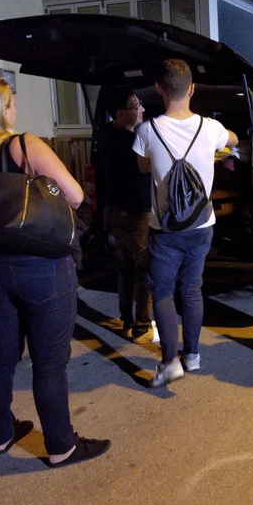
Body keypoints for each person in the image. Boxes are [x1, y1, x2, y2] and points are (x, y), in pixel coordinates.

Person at [0, 77, 110, 468]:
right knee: (49, 361)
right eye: (11, 103)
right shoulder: (25, 145)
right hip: (41, 267)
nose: (15, 109)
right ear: (1, 109)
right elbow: (74, 195)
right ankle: (61, 445)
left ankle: (1, 435)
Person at [134, 59, 238, 387]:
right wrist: (221, 144)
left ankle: (169, 361)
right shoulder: (211, 129)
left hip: (164, 228)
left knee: (163, 290)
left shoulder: (146, 131)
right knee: (192, 288)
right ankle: (192, 356)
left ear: (159, 89)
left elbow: (142, 167)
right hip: (202, 224)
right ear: (192, 89)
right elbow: (232, 140)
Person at [100, 87, 155, 343]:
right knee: (144, 270)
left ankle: (126, 320)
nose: (142, 109)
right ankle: (143, 325)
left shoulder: (106, 136)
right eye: (136, 106)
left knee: (125, 269)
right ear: (121, 113)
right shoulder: (132, 142)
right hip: (135, 215)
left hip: (113, 214)